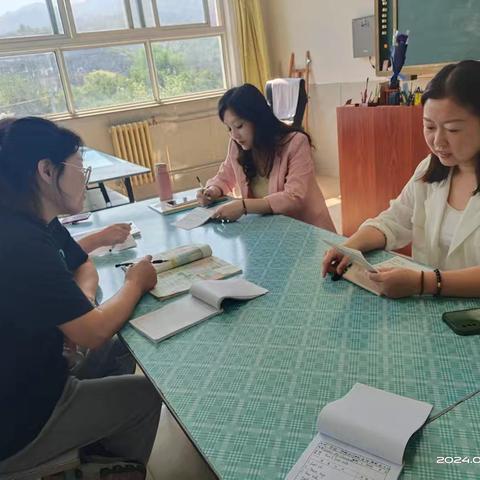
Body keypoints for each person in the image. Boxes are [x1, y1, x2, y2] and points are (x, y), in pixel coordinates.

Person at [0, 117, 161, 477]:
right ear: (46, 170)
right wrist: (135, 282)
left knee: (122, 343)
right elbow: (92, 333)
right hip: (19, 417)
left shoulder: (33, 216)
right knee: (145, 397)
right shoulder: (20, 241)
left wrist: (79, 311)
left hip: (37, 367)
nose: (83, 178)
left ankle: (92, 445)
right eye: (78, 168)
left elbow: (81, 264)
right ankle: (114, 469)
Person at [322, 60, 480, 299]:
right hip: (430, 312)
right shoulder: (431, 169)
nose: (438, 141)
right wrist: (350, 247)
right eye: (429, 126)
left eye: (453, 129)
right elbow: (394, 220)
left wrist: (425, 283)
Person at [196, 83, 336, 231]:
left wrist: (244, 206)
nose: (234, 135)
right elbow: (225, 175)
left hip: (305, 230)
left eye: (239, 126)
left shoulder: (296, 142)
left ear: (257, 119)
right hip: (266, 228)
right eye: (229, 129)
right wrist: (212, 190)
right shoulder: (237, 144)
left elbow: (294, 197)